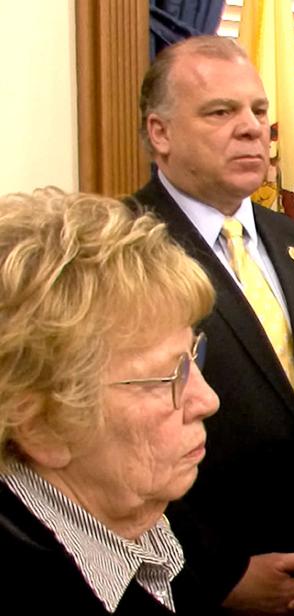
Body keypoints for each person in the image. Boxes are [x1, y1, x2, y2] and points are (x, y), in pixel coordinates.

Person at [134, 35, 294, 613]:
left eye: (259, 111)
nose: (251, 128)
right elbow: (112, 439)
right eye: (220, 112)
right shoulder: (119, 252)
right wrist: (214, 575)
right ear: (159, 133)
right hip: (202, 587)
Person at [0, 189, 220, 614]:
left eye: (194, 355)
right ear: (39, 426)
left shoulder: (166, 522)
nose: (206, 400)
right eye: (166, 377)